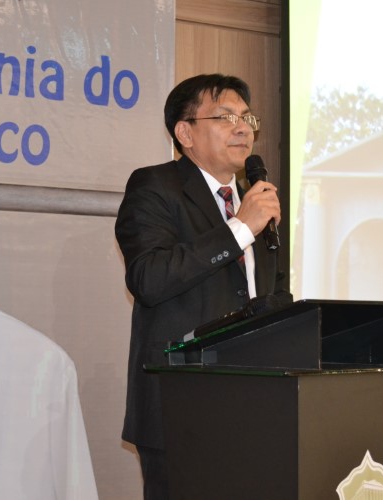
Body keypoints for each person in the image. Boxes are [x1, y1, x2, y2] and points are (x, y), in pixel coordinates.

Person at [114, 73, 289, 499]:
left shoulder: (254, 201)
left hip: (257, 406)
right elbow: (149, 278)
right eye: (226, 117)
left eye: (247, 118)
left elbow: (271, 294)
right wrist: (239, 229)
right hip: (182, 406)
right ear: (185, 133)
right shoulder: (155, 186)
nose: (243, 128)